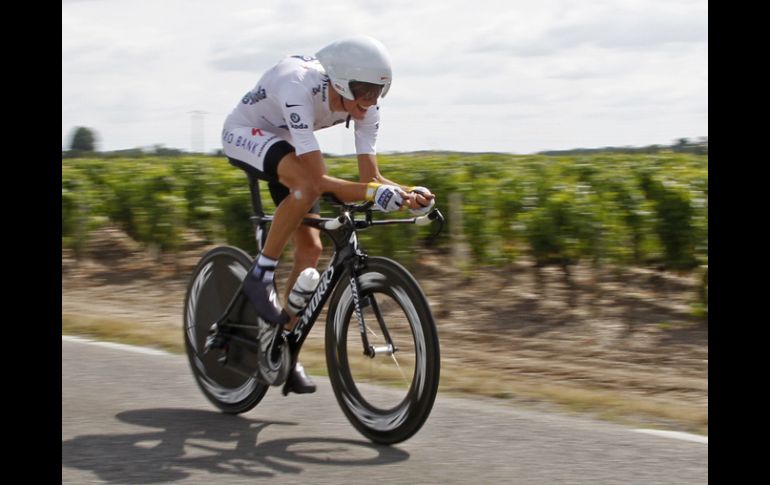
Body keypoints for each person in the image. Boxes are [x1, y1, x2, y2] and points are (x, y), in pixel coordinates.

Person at [221, 35, 435, 396]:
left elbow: (371, 180)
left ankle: (280, 351)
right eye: (362, 91)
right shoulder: (298, 84)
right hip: (245, 133)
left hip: (284, 143)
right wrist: (372, 193)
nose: (369, 102)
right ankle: (260, 275)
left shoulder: (367, 109)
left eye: (377, 93)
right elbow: (318, 180)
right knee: (306, 186)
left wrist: (406, 194)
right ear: (338, 81)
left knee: (309, 250)